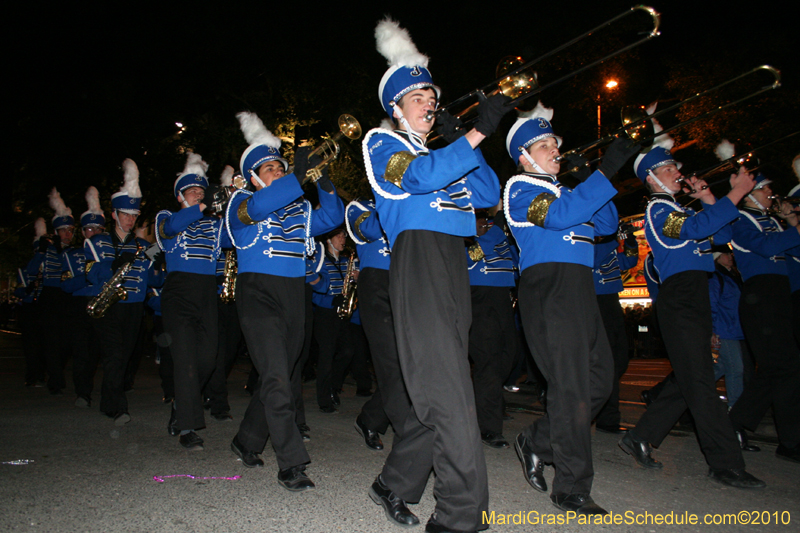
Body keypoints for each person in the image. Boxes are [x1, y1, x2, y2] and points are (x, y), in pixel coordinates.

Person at [362, 18, 511, 533]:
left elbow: (490, 194)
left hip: (452, 261)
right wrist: (475, 131)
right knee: (449, 393)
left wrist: (464, 137)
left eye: (431, 93)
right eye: (418, 95)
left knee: (441, 387)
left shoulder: (445, 147)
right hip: (417, 259)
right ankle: (457, 516)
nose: (429, 101)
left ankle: (394, 483)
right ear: (396, 107)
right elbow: (421, 178)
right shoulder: (380, 144)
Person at [504, 104, 638, 515]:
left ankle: (539, 440)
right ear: (525, 156)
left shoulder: (566, 190)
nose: (555, 150)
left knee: (600, 378)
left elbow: (607, 224)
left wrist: (587, 176)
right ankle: (571, 487)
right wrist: (607, 167)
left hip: (580, 288)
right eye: (545, 145)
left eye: (555, 143)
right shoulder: (520, 187)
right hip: (549, 288)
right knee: (573, 388)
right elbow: (560, 216)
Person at [618, 140, 765, 488]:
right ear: (653, 178)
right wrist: (738, 192)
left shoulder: (680, 210)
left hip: (695, 294)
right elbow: (695, 231)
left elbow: (722, 234)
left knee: (691, 378)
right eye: (670, 169)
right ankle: (726, 463)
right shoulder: (657, 209)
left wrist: (712, 199)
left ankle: (641, 435)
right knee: (700, 382)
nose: (679, 173)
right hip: (680, 297)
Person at [226, 111, 343, 491]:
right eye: (271, 168)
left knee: (280, 374)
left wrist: (320, 177)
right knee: (277, 376)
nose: (278, 170)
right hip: (258, 292)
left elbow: (334, 215)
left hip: (295, 295)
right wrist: (296, 174)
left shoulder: (299, 209)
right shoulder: (240, 203)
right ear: (254, 176)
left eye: (281, 166)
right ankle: (291, 463)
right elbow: (263, 206)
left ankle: (246, 439)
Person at [155, 152, 226, 450]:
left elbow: (235, 236)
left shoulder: (214, 225)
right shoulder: (167, 217)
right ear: (180, 195)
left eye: (201, 190)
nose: (198, 194)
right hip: (179, 293)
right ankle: (187, 427)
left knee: (207, 359)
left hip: (207, 292)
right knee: (184, 359)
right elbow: (170, 229)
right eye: (192, 191)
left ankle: (180, 405)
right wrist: (204, 204)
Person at [728, 173, 800, 463]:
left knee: (782, 368)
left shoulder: (774, 222)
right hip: (761, 295)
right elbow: (767, 247)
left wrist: (791, 223)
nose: (772, 192)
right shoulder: (740, 219)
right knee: (784, 366)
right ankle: (785, 440)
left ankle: (739, 425)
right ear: (750, 194)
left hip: (779, 294)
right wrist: (794, 227)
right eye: (766, 188)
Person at [85, 159, 161, 425]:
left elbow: (155, 270)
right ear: (115, 214)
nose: (130, 220)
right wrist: (109, 266)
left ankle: (109, 402)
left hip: (134, 307)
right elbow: (90, 273)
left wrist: (161, 266)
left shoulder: (143, 245)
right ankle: (118, 407)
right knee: (114, 355)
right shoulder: (97, 242)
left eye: (133, 215)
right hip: (108, 306)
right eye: (125, 215)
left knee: (125, 356)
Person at [346, 197, 399, 454]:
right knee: (390, 364)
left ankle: (370, 417)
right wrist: (388, 200)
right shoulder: (358, 207)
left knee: (408, 365)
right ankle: (403, 426)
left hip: (406, 281)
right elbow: (370, 229)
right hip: (376, 282)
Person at [466, 210, 518, 449]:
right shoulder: (467, 244)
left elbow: (516, 262)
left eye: (487, 221)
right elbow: (479, 251)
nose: (484, 225)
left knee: (507, 359)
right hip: (479, 301)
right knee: (488, 364)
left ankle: (481, 407)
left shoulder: (498, 239)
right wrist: (497, 227)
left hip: (503, 300)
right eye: (480, 221)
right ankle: (488, 428)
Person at [593, 222, 639, 434]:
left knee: (619, 360)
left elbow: (628, 260)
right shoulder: (589, 247)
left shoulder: (607, 248)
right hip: (596, 303)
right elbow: (595, 259)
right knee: (606, 362)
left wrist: (630, 240)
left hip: (611, 302)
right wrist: (613, 238)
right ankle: (607, 417)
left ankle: (603, 407)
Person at [62, 187, 106, 408]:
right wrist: (87, 276)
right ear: (82, 231)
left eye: (98, 229)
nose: (93, 233)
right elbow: (67, 284)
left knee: (99, 351)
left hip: (103, 304)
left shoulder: (108, 253)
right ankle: (82, 392)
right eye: (89, 228)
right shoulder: (72, 255)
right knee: (81, 351)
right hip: (81, 305)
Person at [29, 189, 75, 394]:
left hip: (67, 298)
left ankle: (54, 370)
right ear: (56, 232)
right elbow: (31, 271)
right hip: (49, 297)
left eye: (71, 230)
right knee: (50, 340)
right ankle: (55, 379)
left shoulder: (74, 252)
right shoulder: (47, 250)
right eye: (64, 230)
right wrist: (41, 251)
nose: (68, 234)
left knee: (66, 341)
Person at [311, 227, 356, 413]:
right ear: (328, 240)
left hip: (342, 313)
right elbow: (313, 289)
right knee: (326, 356)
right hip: (324, 313)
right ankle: (324, 399)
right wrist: (331, 299)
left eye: (344, 235)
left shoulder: (346, 261)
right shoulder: (320, 261)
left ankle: (333, 386)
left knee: (348, 351)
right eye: (338, 235)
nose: (342, 238)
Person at [708, 249, 746, 410]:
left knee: (721, 367)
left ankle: (685, 392)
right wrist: (713, 330)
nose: (730, 257)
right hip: (724, 329)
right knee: (736, 369)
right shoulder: (717, 278)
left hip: (732, 329)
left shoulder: (732, 277)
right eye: (726, 254)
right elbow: (712, 304)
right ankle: (735, 407)